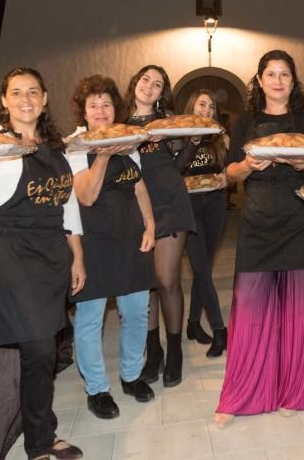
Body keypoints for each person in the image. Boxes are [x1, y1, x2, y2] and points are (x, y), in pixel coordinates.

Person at [0, 67, 86, 460]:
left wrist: (77, 256)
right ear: (4, 101)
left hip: (51, 255)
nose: (25, 99)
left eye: (33, 92)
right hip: (10, 254)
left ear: (45, 98)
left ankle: (43, 433)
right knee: (40, 349)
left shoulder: (56, 146)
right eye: (17, 93)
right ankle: (38, 443)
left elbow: (68, 205)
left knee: (45, 346)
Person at [214, 50, 304, 428]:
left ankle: (296, 391)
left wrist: (301, 163)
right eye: (271, 74)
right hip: (259, 221)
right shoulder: (246, 120)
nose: (278, 80)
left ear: (292, 80)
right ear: (260, 80)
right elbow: (229, 173)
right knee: (250, 309)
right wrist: (248, 165)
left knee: (301, 309)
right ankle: (241, 393)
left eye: (285, 74)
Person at [66, 75, 157, 420]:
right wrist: (101, 157)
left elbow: (139, 187)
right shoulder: (75, 147)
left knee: (137, 312)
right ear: (84, 111)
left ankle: (132, 375)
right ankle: (98, 389)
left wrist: (149, 223)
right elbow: (85, 196)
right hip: (93, 242)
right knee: (90, 319)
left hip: (130, 238)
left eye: (106, 104)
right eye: (94, 105)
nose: (101, 110)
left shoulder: (128, 140)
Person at [123, 65, 196, 387]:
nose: (150, 87)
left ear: (162, 92)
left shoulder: (168, 122)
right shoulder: (118, 123)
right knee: (147, 283)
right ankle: (154, 351)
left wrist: (191, 142)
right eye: (145, 80)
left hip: (169, 202)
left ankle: (175, 349)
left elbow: (179, 164)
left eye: (157, 84)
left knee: (167, 279)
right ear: (135, 83)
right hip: (134, 207)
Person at [180, 88, 229, 358]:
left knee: (205, 268)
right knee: (200, 268)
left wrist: (226, 177)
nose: (207, 110)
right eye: (202, 104)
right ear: (192, 107)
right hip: (189, 206)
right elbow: (175, 170)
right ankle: (221, 330)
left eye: (211, 106)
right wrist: (192, 141)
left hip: (216, 203)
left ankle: (192, 324)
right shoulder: (178, 136)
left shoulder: (219, 138)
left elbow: (229, 168)